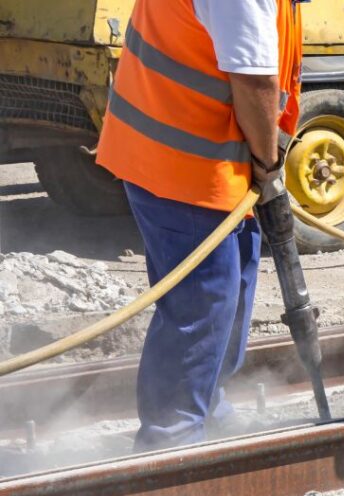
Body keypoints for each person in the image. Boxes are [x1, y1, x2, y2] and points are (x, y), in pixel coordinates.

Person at [96, 0, 305, 451]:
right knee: (201, 302)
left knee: (233, 288)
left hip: (206, 159)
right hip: (184, 167)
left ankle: (208, 408)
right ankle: (170, 441)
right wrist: (269, 166)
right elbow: (253, 82)